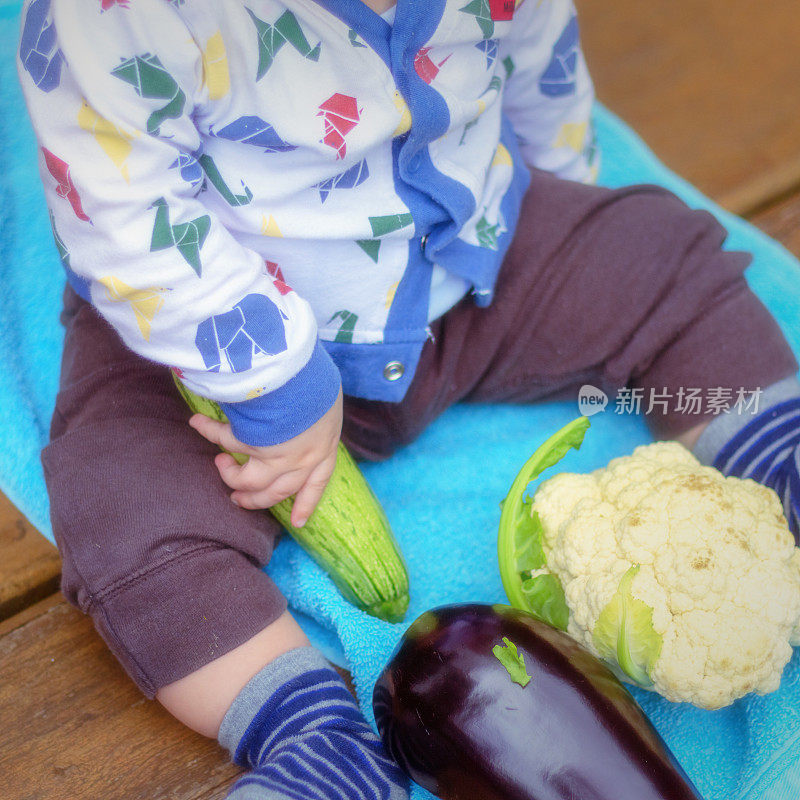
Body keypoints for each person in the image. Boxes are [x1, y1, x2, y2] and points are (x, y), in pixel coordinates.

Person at [18, 0, 799, 797]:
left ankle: (780, 455)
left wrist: (567, 198)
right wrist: (274, 381)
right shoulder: (115, 21)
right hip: (204, 341)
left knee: (665, 262)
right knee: (123, 507)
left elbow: (535, 55)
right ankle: (314, 735)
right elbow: (124, 209)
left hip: (466, 258)